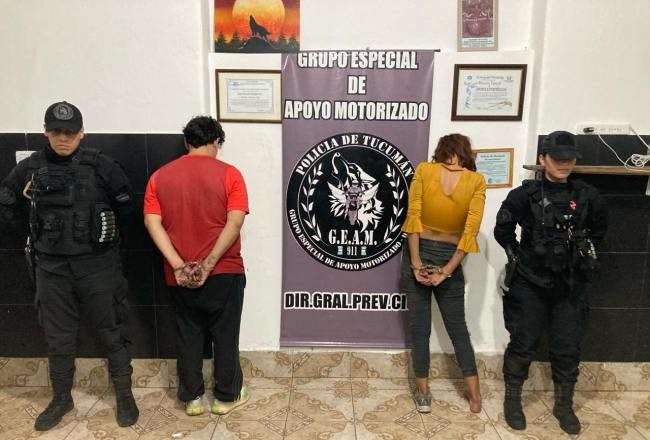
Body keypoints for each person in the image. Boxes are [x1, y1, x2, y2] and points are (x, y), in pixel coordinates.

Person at [0, 101, 139, 430]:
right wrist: (30, 229)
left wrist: (106, 239)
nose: (63, 138)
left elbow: (127, 209)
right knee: (57, 337)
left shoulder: (102, 166)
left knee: (112, 331)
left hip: (98, 266)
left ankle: (124, 395)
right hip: (51, 269)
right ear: (45, 132)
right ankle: (61, 398)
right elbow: (6, 203)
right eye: (56, 131)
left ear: (82, 133)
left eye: (70, 132)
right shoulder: (30, 168)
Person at [494, 131, 607, 434]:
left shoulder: (587, 196)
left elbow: (599, 232)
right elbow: (503, 231)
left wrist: (580, 254)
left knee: (567, 347)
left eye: (569, 159)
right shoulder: (523, 195)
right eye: (558, 159)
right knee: (523, 343)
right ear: (542, 159)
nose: (564, 164)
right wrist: (517, 257)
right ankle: (513, 400)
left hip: (570, 284)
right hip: (530, 282)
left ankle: (563, 405)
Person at [143, 116, 249, 416]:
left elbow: (152, 222)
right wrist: (210, 263)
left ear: (187, 142)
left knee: (187, 334)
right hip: (224, 270)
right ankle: (225, 398)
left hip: (180, 276)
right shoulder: (231, 175)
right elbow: (235, 222)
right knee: (226, 336)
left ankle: (192, 399)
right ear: (217, 141)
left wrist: (178, 265)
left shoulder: (159, 177)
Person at [401, 133, 486, 414]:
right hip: (450, 256)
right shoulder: (476, 181)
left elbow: (413, 219)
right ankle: (475, 397)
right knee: (458, 330)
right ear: (466, 152)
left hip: (418, 250)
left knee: (419, 329)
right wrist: (448, 271)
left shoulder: (424, 170)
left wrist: (416, 264)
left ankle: (424, 394)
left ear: (440, 150)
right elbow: (470, 233)